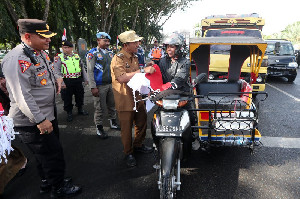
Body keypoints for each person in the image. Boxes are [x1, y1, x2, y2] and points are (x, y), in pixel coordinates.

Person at [1, 19, 81, 198]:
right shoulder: (18, 58)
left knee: (45, 154)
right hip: (32, 120)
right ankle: (58, 188)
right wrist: (40, 120)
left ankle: (49, 181)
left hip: (46, 113)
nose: (49, 40)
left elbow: (48, 72)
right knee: (53, 154)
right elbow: (23, 96)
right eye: (43, 37)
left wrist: (57, 80)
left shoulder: (38, 53)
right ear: (28, 37)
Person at [110, 30, 155, 167]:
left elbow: (136, 75)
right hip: (125, 99)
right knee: (126, 128)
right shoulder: (118, 58)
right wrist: (142, 71)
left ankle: (138, 145)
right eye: (135, 42)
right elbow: (122, 77)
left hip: (137, 96)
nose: (138, 44)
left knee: (142, 123)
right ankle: (128, 153)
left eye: (138, 41)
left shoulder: (134, 57)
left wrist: (146, 68)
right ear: (126, 44)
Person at [158, 32, 194, 156]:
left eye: (172, 46)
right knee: (157, 116)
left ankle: (192, 138)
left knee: (191, 116)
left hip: (182, 94)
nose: (169, 49)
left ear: (179, 48)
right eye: (168, 46)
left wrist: (169, 85)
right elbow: (159, 76)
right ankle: (157, 142)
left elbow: (180, 78)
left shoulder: (186, 62)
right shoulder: (162, 61)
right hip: (166, 95)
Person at [86, 32, 120, 139]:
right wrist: (93, 87)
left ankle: (113, 123)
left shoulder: (110, 53)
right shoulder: (92, 53)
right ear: (98, 41)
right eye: (105, 41)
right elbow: (90, 71)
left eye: (108, 41)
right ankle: (99, 128)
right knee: (99, 108)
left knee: (112, 105)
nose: (107, 43)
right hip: (99, 86)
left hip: (111, 84)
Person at [54, 40, 88, 122]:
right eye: (64, 47)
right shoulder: (59, 57)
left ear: (71, 48)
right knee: (67, 97)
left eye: (67, 47)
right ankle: (69, 112)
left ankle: (80, 109)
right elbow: (56, 71)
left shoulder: (76, 56)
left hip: (77, 79)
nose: (65, 49)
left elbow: (82, 68)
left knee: (80, 95)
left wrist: (86, 78)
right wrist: (61, 83)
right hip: (66, 80)